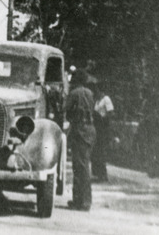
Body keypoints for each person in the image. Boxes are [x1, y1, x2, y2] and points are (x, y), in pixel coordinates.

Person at [65, 69, 96, 211]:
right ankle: (81, 200)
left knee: (80, 167)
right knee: (83, 165)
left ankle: (82, 202)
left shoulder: (74, 93)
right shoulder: (90, 93)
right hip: (90, 130)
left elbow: (65, 109)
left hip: (80, 131)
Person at [91, 82, 114, 182]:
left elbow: (110, 113)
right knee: (96, 151)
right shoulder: (97, 101)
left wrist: (103, 119)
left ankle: (103, 174)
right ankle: (97, 173)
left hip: (103, 128)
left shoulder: (106, 99)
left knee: (102, 152)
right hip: (97, 127)